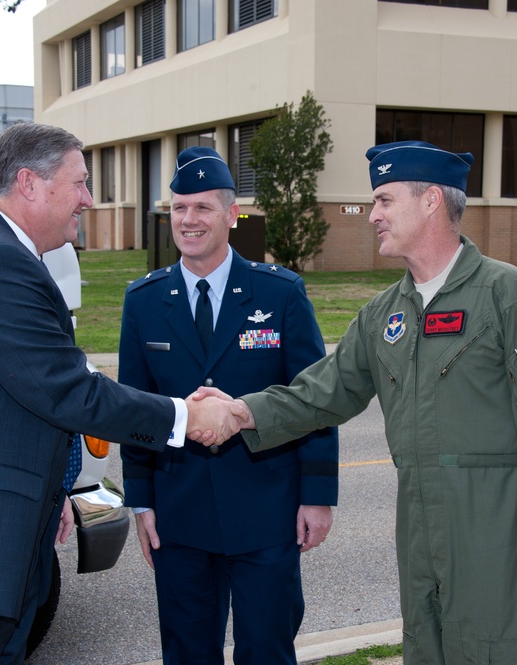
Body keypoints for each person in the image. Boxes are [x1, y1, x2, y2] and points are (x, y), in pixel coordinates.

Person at [0, 123, 242, 665]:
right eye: (78, 182)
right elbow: (66, 390)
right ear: (29, 183)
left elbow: (12, 401)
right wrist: (185, 417)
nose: (88, 198)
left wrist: (52, 491)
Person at [195, 141, 517, 665]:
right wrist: (241, 411)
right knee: (426, 649)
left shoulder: (505, 293)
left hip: (498, 528)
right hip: (419, 525)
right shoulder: (385, 314)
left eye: (384, 200)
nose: (372, 215)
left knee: (500, 652)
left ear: (431, 202)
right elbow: (321, 394)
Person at [118, 146, 338, 664]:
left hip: (266, 510)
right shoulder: (144, 301)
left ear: (231, 215)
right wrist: (141, 502)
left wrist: (318, 494)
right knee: (188, 652)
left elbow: (313, 399)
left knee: (266, 649)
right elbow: (135, 412)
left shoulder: (278, 294)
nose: (188, 220)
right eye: (178, 209)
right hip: (180, 513)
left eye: (202, 208)